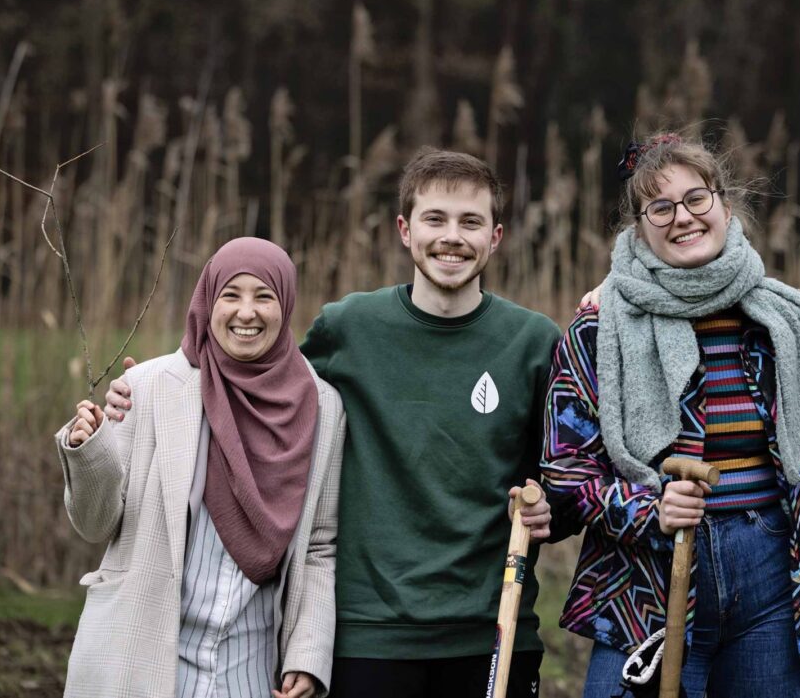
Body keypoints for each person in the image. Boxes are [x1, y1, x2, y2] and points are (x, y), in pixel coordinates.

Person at [106, 149, 560, 698]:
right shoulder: (349, 328)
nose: (452, 237)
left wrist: (549, 505)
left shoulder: (535, 343)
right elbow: (258, 393)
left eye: (471, 222)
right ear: (403, 229)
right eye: (434, 219)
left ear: (496, 236)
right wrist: (147, 395)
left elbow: (567, 475)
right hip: (367, 631)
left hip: (492, 629)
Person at [543, 133, 800, 698]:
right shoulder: (597, 330)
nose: (681, 217)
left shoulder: (784, 323)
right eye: (659, 206)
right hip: (645, 583)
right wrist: (647, 507)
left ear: (724, 206)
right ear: (638, 227)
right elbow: (564, 474)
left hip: (774, 584)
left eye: (696, 199)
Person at [57, 237, 346, 698]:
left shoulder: (323, 406)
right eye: (230, 295)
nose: (246, 313)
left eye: (263, 296)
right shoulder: (147, 387)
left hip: (251, 672)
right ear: (208, 301)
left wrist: (308, 657)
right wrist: (87, 449)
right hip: (143, 660)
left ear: (286, 303)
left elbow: (319, 546)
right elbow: (95, 525)